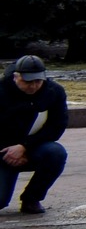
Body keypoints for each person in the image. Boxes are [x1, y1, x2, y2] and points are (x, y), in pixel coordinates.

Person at [1, 56, 69, 214]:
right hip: (2, 151)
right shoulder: (2, 91)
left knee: (56, 153)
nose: (33, 86)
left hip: (32, 147)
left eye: (38, 81)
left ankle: (32, 198)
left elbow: (57, 126)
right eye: (27, 82)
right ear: (16, 77)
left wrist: (24, 147)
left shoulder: (54, 92)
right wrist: (9, 152)